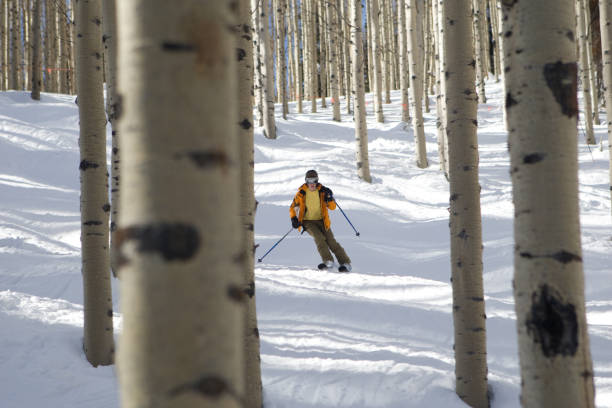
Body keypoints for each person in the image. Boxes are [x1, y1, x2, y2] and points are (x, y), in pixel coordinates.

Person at [289, 170, 352, 272]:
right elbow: (293, 207)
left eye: (314, 180)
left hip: (322, 221)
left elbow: (332, 207)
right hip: (307, 222)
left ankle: (345, 263)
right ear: (306, 181)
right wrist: (293, 218)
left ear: (317, 180)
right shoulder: (301, 193)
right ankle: (328, 261)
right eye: (309, 181)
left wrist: (329, 198)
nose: (312, 183)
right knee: (319, 238)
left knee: (332, 242)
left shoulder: (323, 192)